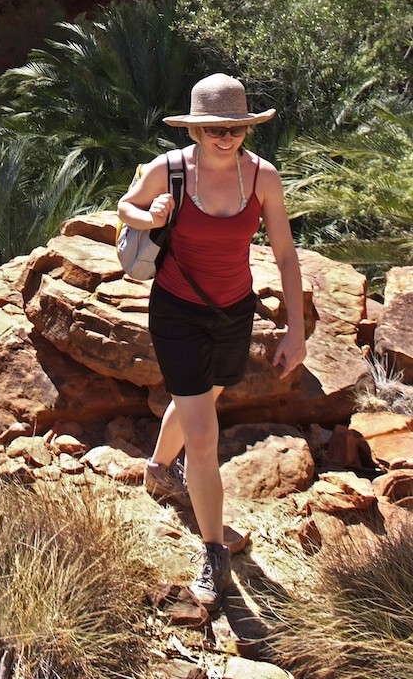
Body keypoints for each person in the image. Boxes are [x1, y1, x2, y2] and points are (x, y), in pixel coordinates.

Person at [117, 73, 307, 611]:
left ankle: (158, 471)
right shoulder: (172, 170)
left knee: (206, 396)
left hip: (234, 313)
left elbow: (287, 256)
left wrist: (296, 329)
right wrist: (148, 214)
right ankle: (214, 553)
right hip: (177, 310)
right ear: (197, 129)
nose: (225, 137)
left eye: (235, 127)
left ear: (246, 127)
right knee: (204, 437)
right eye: (214, 128)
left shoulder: (262, 178)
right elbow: (124, 206)